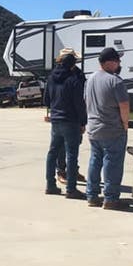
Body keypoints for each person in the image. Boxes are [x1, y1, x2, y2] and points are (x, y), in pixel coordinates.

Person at [84, 47, 130, 210]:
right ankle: (110, 198)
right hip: (112, 129)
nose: (119, 64)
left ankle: (92, 195)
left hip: (94, 128)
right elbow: (124, 105)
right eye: (117, 61)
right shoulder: (115, 81)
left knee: (95, 161)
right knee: (113, 163)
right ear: (110, 62)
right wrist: (125, 124)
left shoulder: (90, 79)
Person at [44, 49, 87, 198]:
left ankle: (50, 184)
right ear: (72, 65)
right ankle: (71, 189)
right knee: (71, 154)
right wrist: (83, 121)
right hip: (71, 120)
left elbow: (46, 100)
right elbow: (79, 103)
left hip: (56, 119)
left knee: (53, 152)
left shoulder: (51, 78)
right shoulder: (73, 80)